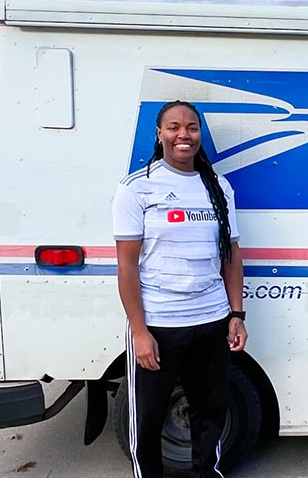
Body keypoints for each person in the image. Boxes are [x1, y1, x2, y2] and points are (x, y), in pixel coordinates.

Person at [112, 100, 248, 478]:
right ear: (159, 134)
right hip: (159, 324)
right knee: (149, 422)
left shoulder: (218, 187)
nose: (183, 135)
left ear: (200, 135)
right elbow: (126, 266)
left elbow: (231, 257)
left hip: (211, 321)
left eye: (191, 127)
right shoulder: (137, 189)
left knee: (210, 416)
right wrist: (139, 331)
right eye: (173, 127)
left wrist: (236, 314)